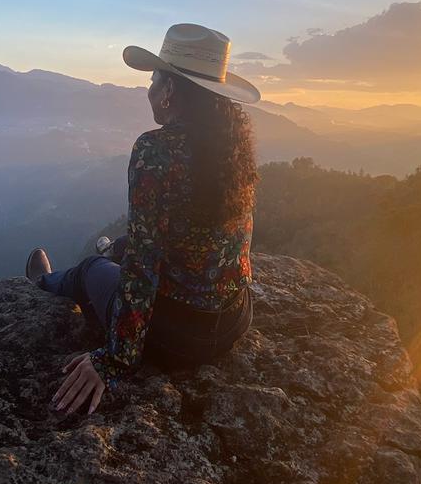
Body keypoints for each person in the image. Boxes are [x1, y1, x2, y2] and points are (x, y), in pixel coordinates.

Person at [25, 23, 261, 416]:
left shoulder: (155, 149)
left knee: (91, 269)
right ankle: (111, 250)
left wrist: (115, 359)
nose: (149, 89)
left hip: (179, 338)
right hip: (235, 319)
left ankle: (43, 283)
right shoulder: (232, 146)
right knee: (123, 246)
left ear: (170, 91)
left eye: (153, 80)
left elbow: (143, 266)